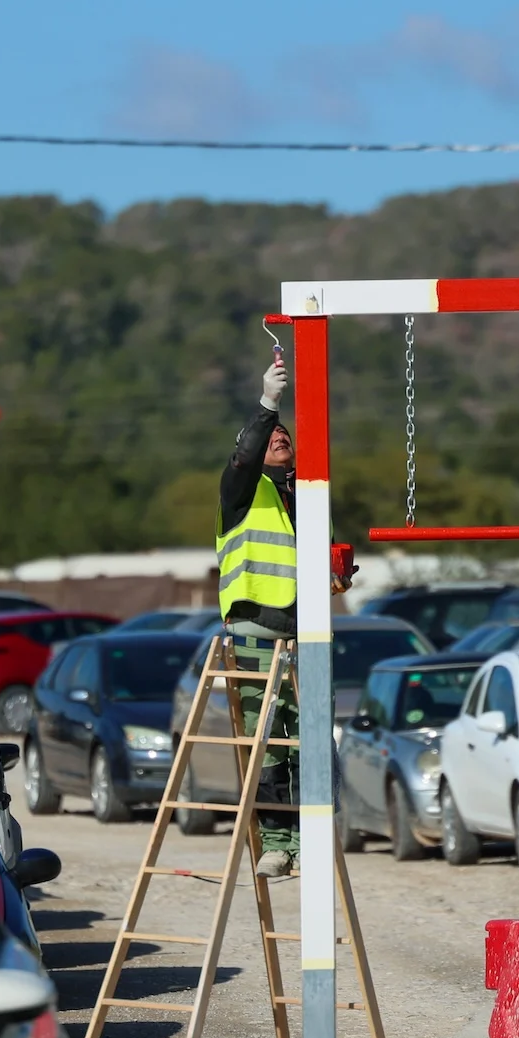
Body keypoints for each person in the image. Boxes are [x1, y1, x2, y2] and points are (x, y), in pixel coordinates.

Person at [216, 354, 349, 876]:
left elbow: (319, 569)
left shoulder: (311, 496)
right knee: (267, 740)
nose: (279, 439)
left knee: (311, 736)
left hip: (307, 634)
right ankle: (276, 842)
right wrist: (269, 403)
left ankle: (310, 836)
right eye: (272, 436)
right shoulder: (242, 491)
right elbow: (244, 455)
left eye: (284, 434)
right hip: (254, 630)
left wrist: (336, 578)